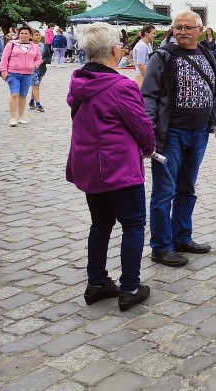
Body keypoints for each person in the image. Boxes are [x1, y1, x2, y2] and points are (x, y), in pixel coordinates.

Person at [66, 22, 155, 312]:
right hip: (118, 165)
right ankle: (129, 287)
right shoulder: (121, 86)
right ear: (115, 51)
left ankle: (96, 282)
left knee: (100, 223)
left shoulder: (79, 82)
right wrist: (148, 149)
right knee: (132, 224)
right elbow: (142, 126)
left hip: (90, 164)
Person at [141, 11, 216, 267]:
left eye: (187, 27)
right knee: (164, 191)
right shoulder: (162, 57)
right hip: (170, 134)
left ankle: (182, 237)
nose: (182, 32)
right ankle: (160, 247)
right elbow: (148, 96)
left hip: (200, 132)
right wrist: (148, 132)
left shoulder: (207, 55)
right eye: (177, 27)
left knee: (187, 188)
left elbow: (213, 93)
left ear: (200, 30)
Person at [0, 26, 42, 126]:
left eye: (26, 33)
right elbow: (4, 58)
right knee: (14, 94)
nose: (24, 35)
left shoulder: (34, 46)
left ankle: (21, 117)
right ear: (19, 34)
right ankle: (12, 117)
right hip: (13, 73)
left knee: (23, 95)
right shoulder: (11, 45)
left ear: (30, 35)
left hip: (28, 74)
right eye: (22, 33)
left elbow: (39, 58)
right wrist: (4, 72)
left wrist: (34, 65)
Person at [28, 29, 50, 112]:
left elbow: (48, 57)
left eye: (38, 34)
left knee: (36, 86)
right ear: (31, 36)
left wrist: (43, 61)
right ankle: (38, 105)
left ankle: (31, 101)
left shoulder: (44, 46)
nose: (38, 36)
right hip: (31, 69)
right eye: (36, 35)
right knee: (36, 86)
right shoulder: (28, 46)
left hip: (41, 69)